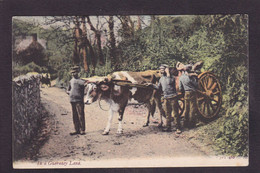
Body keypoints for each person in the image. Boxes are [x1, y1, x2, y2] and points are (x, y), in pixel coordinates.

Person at [148, 64, 181, 133]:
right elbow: (158, 87)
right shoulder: (161, 79)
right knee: (167, 113)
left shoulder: (172, 77)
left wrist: (168, 73)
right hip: (166, 98)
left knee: (175, 113)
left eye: (163, 69)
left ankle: (178, 128)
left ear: (166, 69)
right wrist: (152, 85)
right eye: (160, 69)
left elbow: (169, 82)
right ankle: (168, 127)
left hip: (173, 97)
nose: (161, 71)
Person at [66, 66, 86, 135]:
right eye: (72, 73)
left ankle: (82, 130)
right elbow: (67, 90)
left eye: (74, 72)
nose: (73, 74)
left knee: (80, 115)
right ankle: (76, 129)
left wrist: (81, 95)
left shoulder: (81, 82)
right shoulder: (71, 81)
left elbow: (85, 91)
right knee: (74, 116)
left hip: (79, 100)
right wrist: (69, 92)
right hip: (72, 100)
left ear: (78, 73)